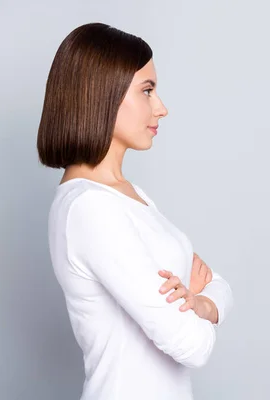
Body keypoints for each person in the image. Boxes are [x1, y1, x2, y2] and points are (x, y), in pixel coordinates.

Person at [36, 22, 233, 400]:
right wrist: (201, 308)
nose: (162, 108)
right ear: (101, 94)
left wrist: (201, 302)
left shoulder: (131, 197)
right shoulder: (89, 209)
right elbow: (193, 346)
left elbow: (219, 286)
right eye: (147, 90)